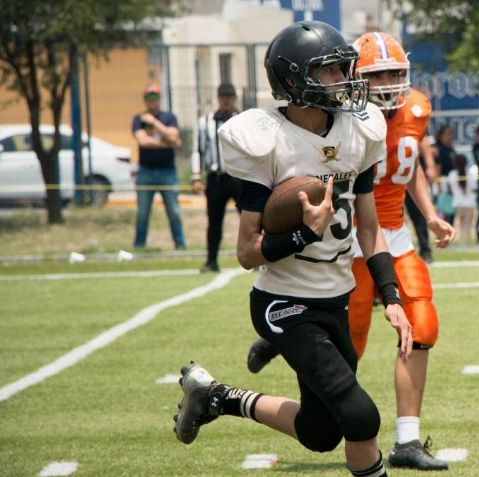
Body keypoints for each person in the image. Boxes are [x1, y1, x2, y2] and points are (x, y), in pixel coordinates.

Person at [172, 21, 413, 477]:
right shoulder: (266, 139)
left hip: (334, 298)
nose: (344, 78)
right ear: (292, 80)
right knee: (361, 417)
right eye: (330, 71)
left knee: (320, 433)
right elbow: (247, 252)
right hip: (283, 302)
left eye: (344, 68)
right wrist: (304, 232)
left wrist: (392, 296)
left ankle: (216, 398)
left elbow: (368, 227)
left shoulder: (359, 131)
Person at [241, 30, 455, 472]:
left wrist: (429, 214)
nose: (391, 82)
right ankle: (283, 341)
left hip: (388, 235)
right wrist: (300, 232)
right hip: (338, 252)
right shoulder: (304, 130)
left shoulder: (403, 113)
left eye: (398, 73)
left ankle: (408, 438)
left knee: (422, 326)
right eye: (379, 74)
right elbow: (248, 246)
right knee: (344, 371)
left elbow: (404, 171)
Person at [191, 83, 241, 273]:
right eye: (223, 96)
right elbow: (197, 150)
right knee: (214, 222)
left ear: (235, 98)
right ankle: (211, 261)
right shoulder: (205, 122)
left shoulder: (243, 120)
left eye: (229, 96)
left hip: (238, 178)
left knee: (249, 219)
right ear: (218, 98)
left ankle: (257, 259)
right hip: (216, 179)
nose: (226, 100)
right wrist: (196, 177)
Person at [131, 82, 186, 249]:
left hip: (167, 172)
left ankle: (181, 245)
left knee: (174, 212)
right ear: (145, 100)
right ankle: (139, 246)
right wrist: (167, 143)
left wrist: (154, 123)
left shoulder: (169, 118)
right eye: (149, 97)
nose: (152, 100)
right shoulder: (138, 119)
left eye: (155, 97)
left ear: (159, 98)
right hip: (145, 172)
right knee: (142, 213)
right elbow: (142, 141)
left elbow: (174, 135)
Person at [404, 135, 439, 263]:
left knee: (419, 216)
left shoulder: (411, 117)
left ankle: (425, 250)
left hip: (409, 173)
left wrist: (430, 165)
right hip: (389, 178)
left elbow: (422, 139)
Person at [448, 154, 479, 245]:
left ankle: (462, 242)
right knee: (467, 226)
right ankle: (464, 243)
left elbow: (450, 189)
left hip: (458, 203)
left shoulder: (451, 175)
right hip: (470, 204)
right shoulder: (470, 174)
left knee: (461, 225)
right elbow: (474, 189)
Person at [434, 125, 457, 225]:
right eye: (448, 134)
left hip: (452, 186)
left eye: (451, 134)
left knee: (451, 213)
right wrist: (438, 186)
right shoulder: (439, 150)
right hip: (443, 186)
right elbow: (437, 169)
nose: (450, 136)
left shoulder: (452, 150)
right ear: (441, 136)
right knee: (443, 213)